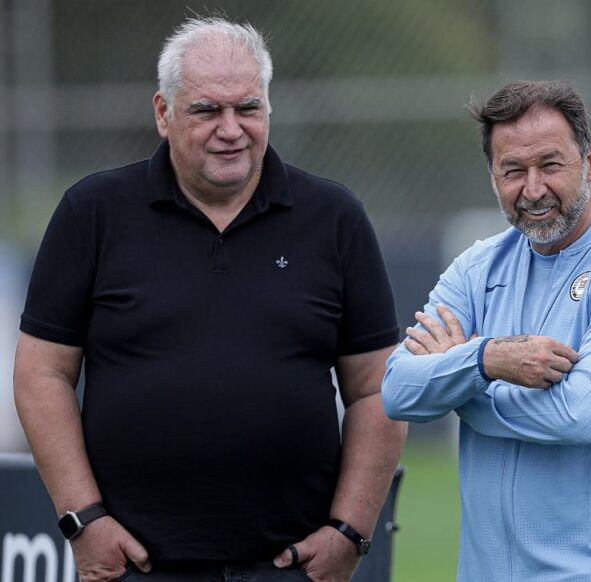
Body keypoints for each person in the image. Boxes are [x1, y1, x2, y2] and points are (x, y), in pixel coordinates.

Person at [13, 16, 407, 582]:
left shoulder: (334, 218)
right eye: (207, 110)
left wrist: (350, 530)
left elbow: (379, 387)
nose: (231, 128)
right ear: (163, 113)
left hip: (292, 565)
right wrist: (85, 521)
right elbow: (40, 374)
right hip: (134, 566)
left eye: (248, 107)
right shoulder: (92, 213)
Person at [381, 80, 591, 581]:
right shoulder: (475, 268)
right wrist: (485, 360)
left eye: (550, 165)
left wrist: (459, 388)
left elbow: (581, 414)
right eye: (513, 171)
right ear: (492, 175)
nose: (533, 189)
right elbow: (397, 391)